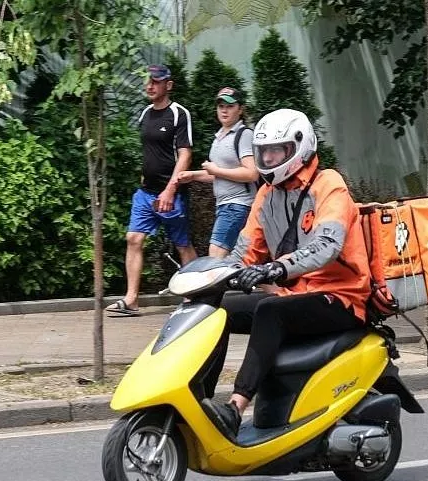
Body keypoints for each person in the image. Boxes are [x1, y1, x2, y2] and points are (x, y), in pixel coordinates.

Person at [200, 108, 373, 438]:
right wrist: (212, 277)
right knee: (214, 311)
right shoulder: (267, 194)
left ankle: (234, 407)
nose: (267, 158)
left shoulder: (329, 184)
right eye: (264, 152)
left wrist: (277, 267)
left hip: (340, 296)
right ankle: (200, 401)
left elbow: (327, 245)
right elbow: (245, 251)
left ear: (299, 147)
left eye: (276, 151)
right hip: (294, 296)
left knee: (270, 311)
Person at [105, 64, 198, 317]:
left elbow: (185, 155)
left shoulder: (179, 114)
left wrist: (170, 190)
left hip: (171, 194)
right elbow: (149, 151)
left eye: (156, 82)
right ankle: (131, 300)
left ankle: (194, 297)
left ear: (169, 85)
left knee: (182, 244)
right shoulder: (145, 113)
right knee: (133, 238)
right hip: (145, 193)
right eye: (148, 81)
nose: (150, 86)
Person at [176, 87, 259, 258]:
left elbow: (251, 173)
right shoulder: (219, 137)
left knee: (216, 254)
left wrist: (216, 170)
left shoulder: (244, 135)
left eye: (230, 106)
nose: (224, 110)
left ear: (240, 109)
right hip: (224, 206)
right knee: (240, 258)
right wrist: (193, 175)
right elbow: (219, 176)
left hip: (238, 205)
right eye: (221, 106)